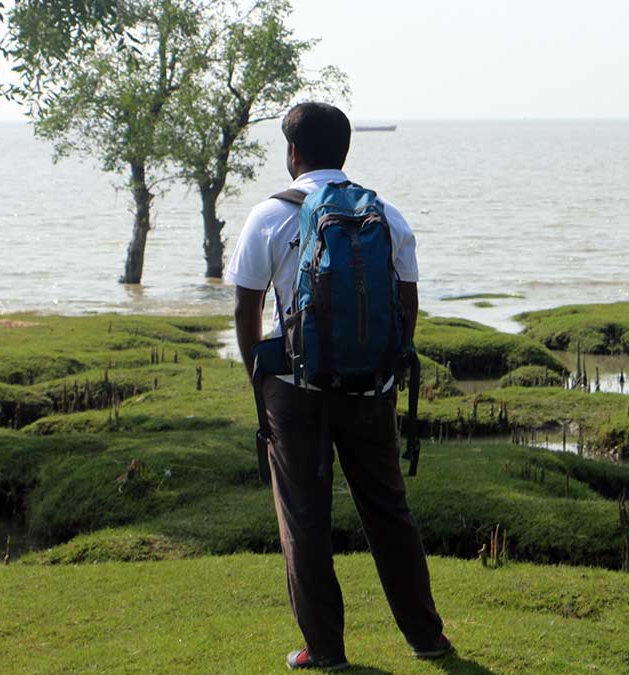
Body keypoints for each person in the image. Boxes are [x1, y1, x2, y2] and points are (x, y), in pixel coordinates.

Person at [227, 102, 452, 671]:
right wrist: (386, 367)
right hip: (371, 391)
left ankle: (325, 651)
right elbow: (407, 302)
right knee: (388, 513)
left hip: (292, 390)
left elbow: (246, 306)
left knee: (304, 516)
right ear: (345, 151)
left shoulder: (267, 218)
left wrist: (260, 372)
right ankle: (427, 638)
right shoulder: (386, 217)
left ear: (293, 153)